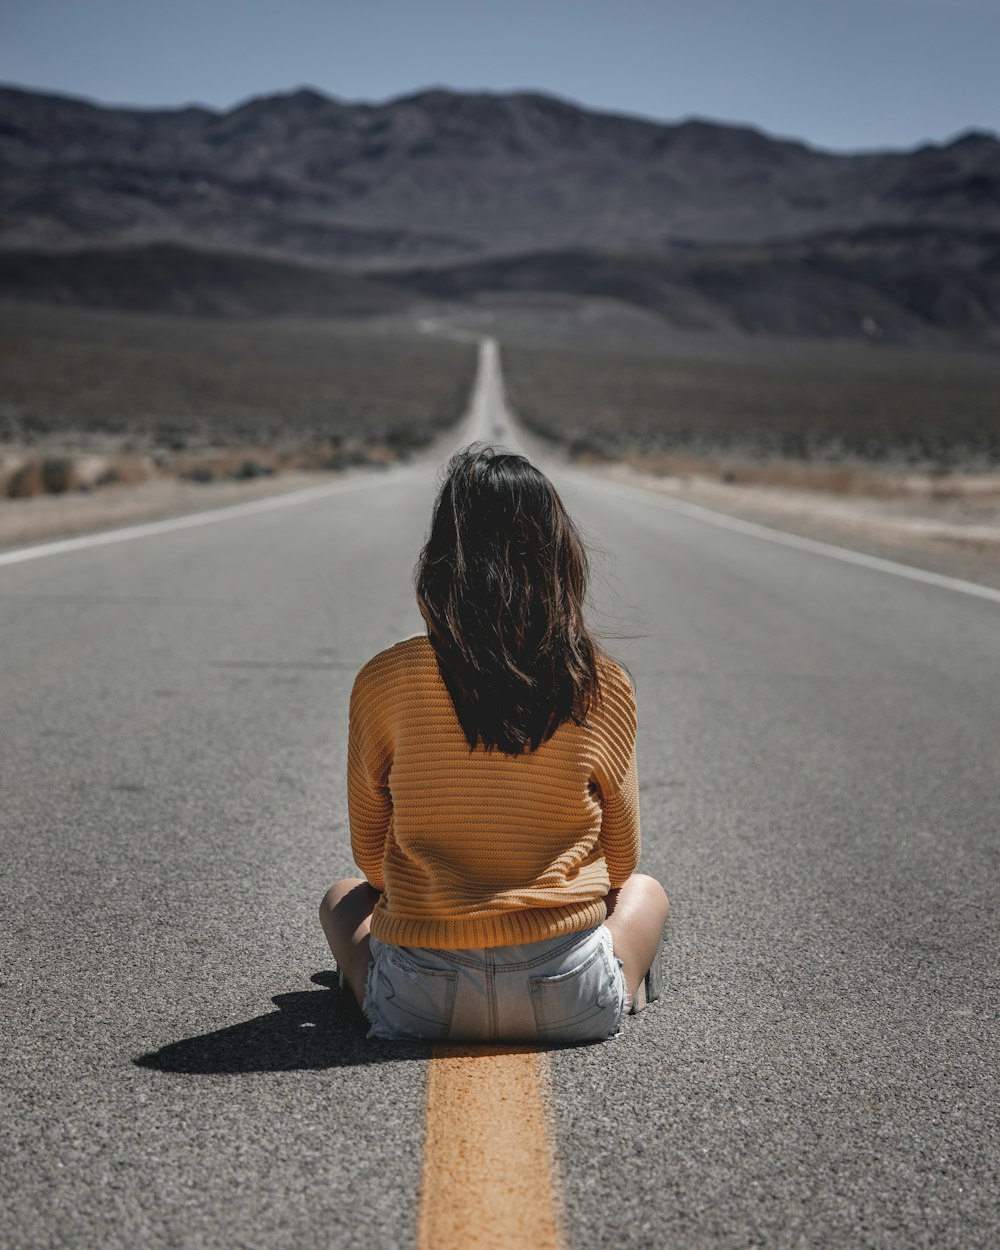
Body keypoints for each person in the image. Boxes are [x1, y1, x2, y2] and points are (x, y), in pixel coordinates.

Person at [320, 445, 669, 1043]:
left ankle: (372, 990)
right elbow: (623, 859)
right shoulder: (600, 681)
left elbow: (370, 856)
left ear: (441, 560)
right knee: (647, 891)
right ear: (560, 557)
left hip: (422, 998)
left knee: (340, 898)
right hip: (568, 994)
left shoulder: (385, 677)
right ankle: (621, 986)